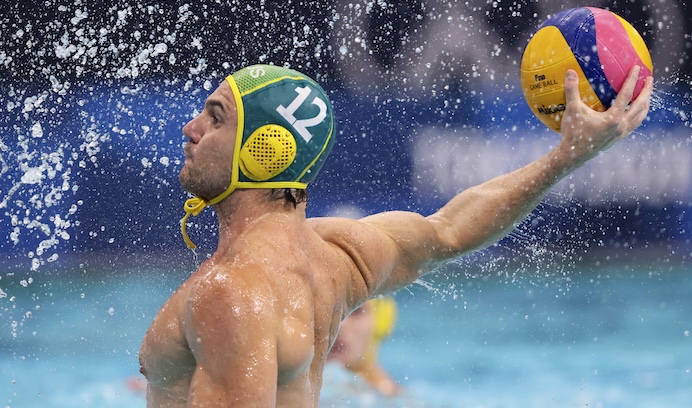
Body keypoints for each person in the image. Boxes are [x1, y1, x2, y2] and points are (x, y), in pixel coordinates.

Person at [138, 63, 653, 407]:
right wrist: (568, 157)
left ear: (264, 150)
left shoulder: (230, 293)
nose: (192, 127)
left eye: (215, 116)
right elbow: (450, 229)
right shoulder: (333, 258)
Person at [327, 297, 401, 396]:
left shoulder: (387, 396)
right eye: (329, 310)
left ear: (381, 323)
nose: (340, 324)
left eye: (355, 311)